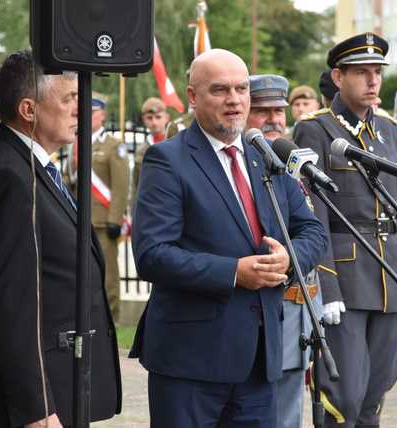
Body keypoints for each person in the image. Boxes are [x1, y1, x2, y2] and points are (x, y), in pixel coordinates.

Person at [129, 49, 328, 428]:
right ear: (192, 96)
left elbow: (312, 230)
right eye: (220, 90)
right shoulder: (167, 160)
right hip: (191, 362)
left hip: (259, 360)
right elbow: (152, 254)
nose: (234, 100)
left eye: (241, 89)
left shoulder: (267, 157)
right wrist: (234, 272)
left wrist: (289, 259)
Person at [0, 50, 121, 427]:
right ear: (29, 109)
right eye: (67, 99)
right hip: (34, 403)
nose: (79, 110)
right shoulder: (8, 176)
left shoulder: (30, 165)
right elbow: (10, 305)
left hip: (60, 385)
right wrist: (37, 408)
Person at [294, 33, 397, 427]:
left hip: (389, 274)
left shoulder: (388, 129)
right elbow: (313, 212)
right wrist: (328, 285)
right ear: (338, 78)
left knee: (378, 386)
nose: (373, 81)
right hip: (347, 280)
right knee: (344, 393)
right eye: (362, 73)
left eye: (377, 73)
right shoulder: (315, 130)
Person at [246, 74, 331, 428]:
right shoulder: (238, 165)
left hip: (300, 309)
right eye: (262, 111)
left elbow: (315, 229)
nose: (274, 119)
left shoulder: (294, 160)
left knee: (288, 415)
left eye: (279, 110)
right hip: (255, 313)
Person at [90, 92, 130, 322]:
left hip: (104, 221)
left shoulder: (113, 145)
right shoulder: (76, 143)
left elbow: (121, 185)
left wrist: (115, 219)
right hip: (81, 219)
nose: (87, 115)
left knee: (107, 274)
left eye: (93, 112)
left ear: (102, 115)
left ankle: (110, 318)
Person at [131, 97, 170, 205]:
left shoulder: (176, 144)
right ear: (144, 120)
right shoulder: (141, 151)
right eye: (149, 118)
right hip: (150, 206)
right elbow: (136, 186)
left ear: (166, 118)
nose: (154, 122)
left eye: (158, 117)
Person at [245, 74, 288, 141]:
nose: (274, 120)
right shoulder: (233, 151)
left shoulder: (293, 150)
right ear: (244, 115)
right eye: (263, 112)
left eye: (278, 110)